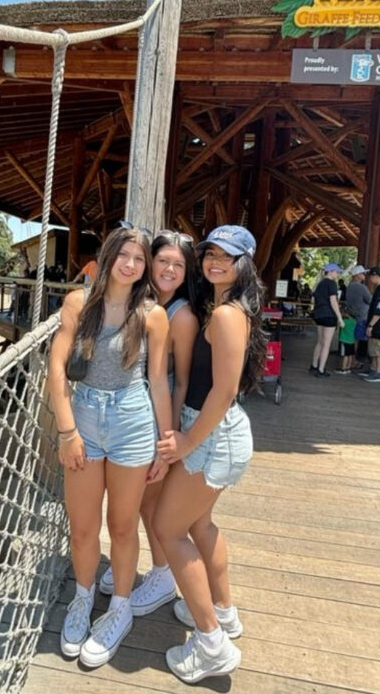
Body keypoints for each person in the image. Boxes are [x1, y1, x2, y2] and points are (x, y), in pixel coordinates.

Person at [48, 225, 172, 668]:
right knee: (82, 526)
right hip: (84, 416)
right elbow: (57, 365)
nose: (132, 264)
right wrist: (67, 431)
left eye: (140, 259)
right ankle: (82, 598)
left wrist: (165, 442)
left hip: (133, 421)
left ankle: (119, 607)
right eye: (125, 255)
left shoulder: (153, 315)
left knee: (122, 525)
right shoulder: (79, 304)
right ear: (109, 256)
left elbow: (157, 381)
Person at [153, 225, 266, 684]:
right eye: (210, 254)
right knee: (199, 524)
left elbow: (223, 392)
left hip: (214, 433)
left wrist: (184, 441)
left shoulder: (224, 316)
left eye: (227, 256)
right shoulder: (230, 309)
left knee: (167, 527)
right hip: (225, 432)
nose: (215, 261)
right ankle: (224, 610)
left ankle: (211, 643)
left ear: (244, 263)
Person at [97, 230, 200, 615]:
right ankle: (142, 567)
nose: (169, 269)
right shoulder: (149, 302)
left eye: (178, 264)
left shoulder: (182, 315)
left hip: (157, 413)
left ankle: (162, 573)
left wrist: (167, 437)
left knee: (152, 503)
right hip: (132, 408)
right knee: (138, 501)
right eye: (162, 261)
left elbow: (180, 380)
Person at [310, 263, 344, 378]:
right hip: (329, 315)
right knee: (326, 344)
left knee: (320, 342)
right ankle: (321, 369)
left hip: (319, 314)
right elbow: (333, 302)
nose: (337, 274)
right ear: (330, 272)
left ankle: (314, 366)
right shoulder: (332, 284)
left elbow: (314, 299)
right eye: (336, 271)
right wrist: (339, 318)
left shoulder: (320, 284)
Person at [345, 265, 371, 361]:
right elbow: (370, 300)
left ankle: (351, 360)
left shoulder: (350, 286)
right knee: (358, 340)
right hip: (361, 317)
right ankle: (355, 360)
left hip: (352, 315)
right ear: (356, 275)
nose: (364, 274)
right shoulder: (361, 287)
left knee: (353, 340)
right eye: (362, 273)